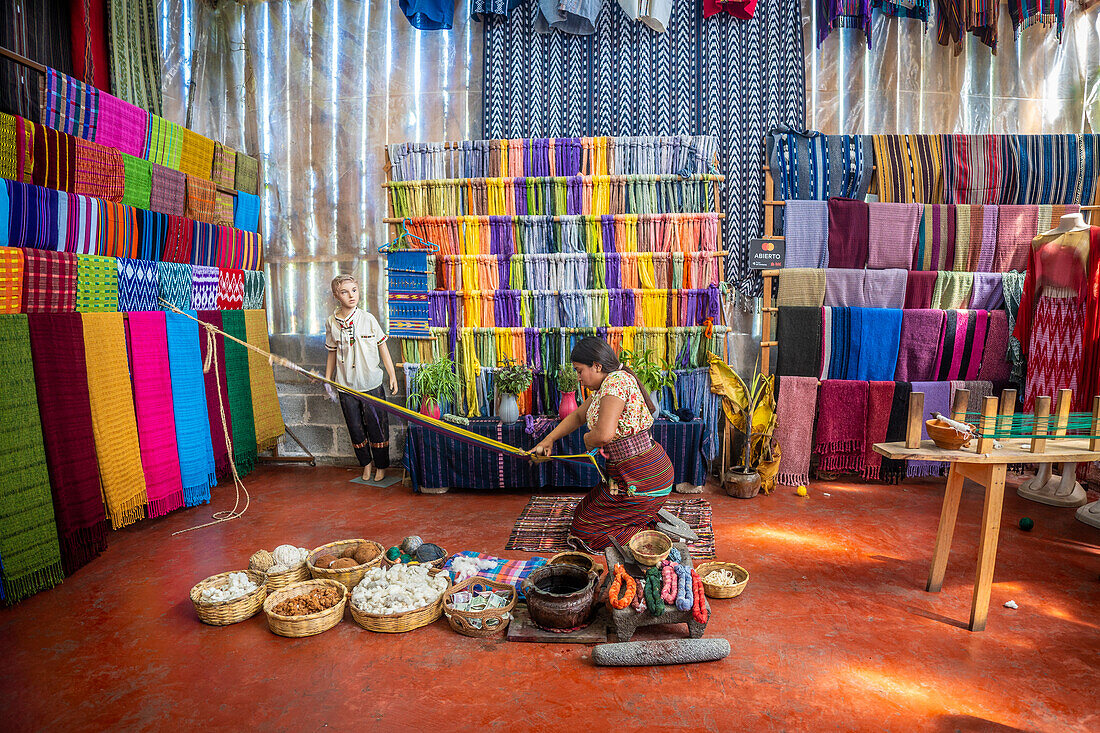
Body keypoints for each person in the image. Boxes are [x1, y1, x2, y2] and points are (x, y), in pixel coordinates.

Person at [531, 337, 675, 551]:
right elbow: (579, 416)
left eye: (580, 371)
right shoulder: (606, 386)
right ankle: (643, 517)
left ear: (597, 366)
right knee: (582, 512)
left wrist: (587, 439)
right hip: (627, 474)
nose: (578, 377)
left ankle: (648, 530)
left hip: (642, 479)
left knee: (585, 533)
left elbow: (603, 435)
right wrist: (547, 439)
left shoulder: (615, 383)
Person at [325, 274, 399, 482]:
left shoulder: (368, 319)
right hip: (346, 386)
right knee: (355, 428)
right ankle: (366, 464)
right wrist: (327, 379)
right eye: (344, 292)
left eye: (354, 290)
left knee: (377, 427)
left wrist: (391, 374)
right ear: (336, 296)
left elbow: (382, 346)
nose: (351, 296)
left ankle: (381, 466)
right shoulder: (332, 323)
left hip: (371, 383)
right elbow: (332, 351)